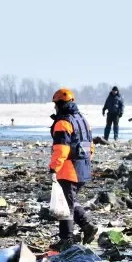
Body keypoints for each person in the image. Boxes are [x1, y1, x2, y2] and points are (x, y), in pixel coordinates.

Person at [48, 88, 98, 251]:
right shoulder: (82, 120)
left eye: (56, 104)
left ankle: (69, 238)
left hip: (68, 170)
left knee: (65, 206)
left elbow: (61, 149)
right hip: (83, 168)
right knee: (71, 201)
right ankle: (84, 228)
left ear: (60, 104)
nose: (55, 108)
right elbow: (91, 146)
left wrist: (54, 168)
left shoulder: (63, 122)